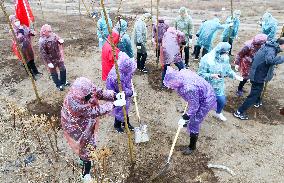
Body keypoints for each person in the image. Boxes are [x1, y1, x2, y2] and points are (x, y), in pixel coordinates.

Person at [61, 77, 126, 182]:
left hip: (85, 121)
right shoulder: (75, 103)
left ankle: (83, 159)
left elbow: (98, 92)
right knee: (87, 146)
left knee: (86, 144)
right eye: (88, 95)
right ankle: (85, 173)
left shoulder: (86, 89)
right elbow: (94, 111)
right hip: (75, 126)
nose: (91, 95)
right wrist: (113, 104)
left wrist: (114, 95)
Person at [163, 67, 217, 155]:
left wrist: (186, 116)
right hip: (202, 91)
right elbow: (193, 100)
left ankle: (192, 147)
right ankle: (188, 122)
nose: (170, 87)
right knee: (192, 113)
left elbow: (195, 106)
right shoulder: (183, 72)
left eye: (171, 84)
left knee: (195, 122)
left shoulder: (189, 89)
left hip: (206, 99)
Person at [234, 38, 284, 120]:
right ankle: (239, 112)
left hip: (257, 72)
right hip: (258, 75)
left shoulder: (269, 46)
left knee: (257, 90)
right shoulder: (271, 49)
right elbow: (270, 60)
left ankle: (257, 101)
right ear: (282, 44)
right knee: (254, 94)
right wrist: (281, 59)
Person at [198, 42, 243, 121]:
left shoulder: (225, 58)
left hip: (218, 86)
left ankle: (218, 113)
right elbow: (201, 74)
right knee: (203, 103)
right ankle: (196, 116)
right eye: (226, 52)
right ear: (219, 51)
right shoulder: (207, 59)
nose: (227, 53)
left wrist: (235, 76)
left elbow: (228, 70)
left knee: (222, 101)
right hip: (207, 86)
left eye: (228, 52)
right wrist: (211, 75)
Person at [106, 52, 136, 133]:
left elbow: (128, 79)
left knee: (125, 107)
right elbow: (122, 90)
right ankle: (117, 125)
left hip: (121, 89)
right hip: (116, 92)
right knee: (120, 107)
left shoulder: (123, 69)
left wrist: (130, 87)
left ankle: (126, 123)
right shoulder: (117, 77)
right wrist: (131, 92)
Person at [9, 15, 41, 80]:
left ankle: (36, 72)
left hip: (28, 46)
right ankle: (31, 75)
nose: (17, 21)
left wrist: (32, 33)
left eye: (17, 20)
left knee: (31, 59)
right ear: (11, 22)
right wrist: (20, 31)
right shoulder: (12, 31)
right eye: (15, 20)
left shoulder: (23, 26)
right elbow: (18, 40)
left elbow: (28, 32)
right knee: (26, 62)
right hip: (21, 49)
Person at [39, 24, 69, 91]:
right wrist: (48, 62)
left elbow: (58, 38)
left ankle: (63, 81)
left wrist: (60, 40)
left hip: (58, 56)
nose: (51, 32)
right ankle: (58, 84)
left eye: (51, 31)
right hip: (50, 59)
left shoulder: (53, 35)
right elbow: (43, 53)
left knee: (63, 68)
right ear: (44, 32)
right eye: (49, 31)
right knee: (53, 72)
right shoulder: (42, 41)